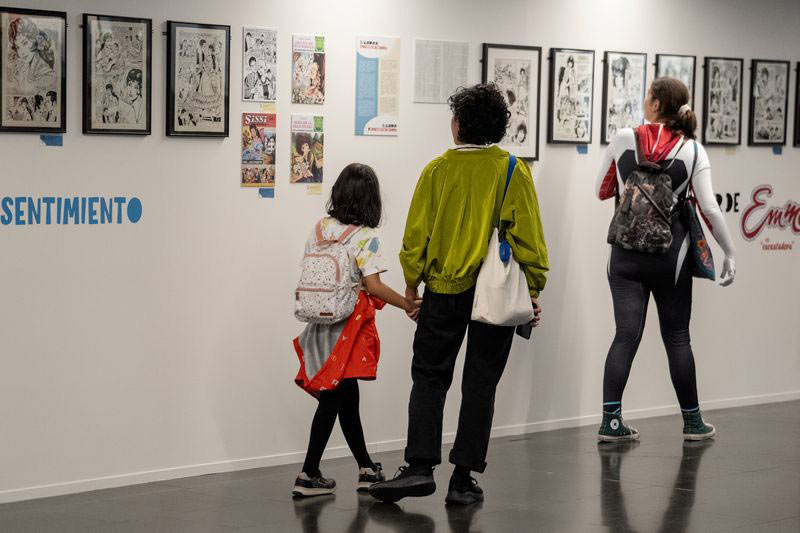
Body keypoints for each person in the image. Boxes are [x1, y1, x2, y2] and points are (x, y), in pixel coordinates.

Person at [369, 83, 548, 506]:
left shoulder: (437, 170)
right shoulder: (512, 170)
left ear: (460, 125)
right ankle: (463, 478)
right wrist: (533, 291)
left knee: (430, 377)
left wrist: (412, 285)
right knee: (481, 384)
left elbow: (417, 236)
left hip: (444, 290)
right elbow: (531, 241)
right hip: (494, 296)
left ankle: (419, 467)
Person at [594, 77, 736, 443]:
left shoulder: (625, 138)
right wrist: (729, 252)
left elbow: (601, 190)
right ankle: (692, 423)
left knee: (625, 335)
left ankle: (611, 422)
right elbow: (708, 207)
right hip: (669, 258)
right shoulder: (692, 150)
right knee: (677, 337)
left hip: (623, 256)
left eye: (647, 95)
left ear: (656, 104)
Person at [292, 163, 422, 497]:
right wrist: (408, 304)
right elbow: (374, 286)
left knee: (345, 399)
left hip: (319, 326)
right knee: (333, 400)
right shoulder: (366, 236)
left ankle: (365, 468)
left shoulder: (320, 228)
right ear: (371, 200)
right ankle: (308, 474)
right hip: (347, 330)